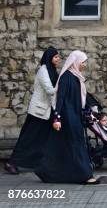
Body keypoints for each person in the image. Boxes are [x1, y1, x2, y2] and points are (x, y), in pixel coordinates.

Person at [35, 50, 99, 185]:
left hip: (75, 115)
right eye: (83, 62)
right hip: (67, 116)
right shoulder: (66, 77)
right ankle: (85, 175)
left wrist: (90, 109)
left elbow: (81, 98)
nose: (85, 65)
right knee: (76, 144)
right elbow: (60, 98)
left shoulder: (77, 77)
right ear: (75, 62)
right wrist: (57, 118)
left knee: (61, 146)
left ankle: (46, 171)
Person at [4, 47, 61, 175]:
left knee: (44, 138)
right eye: (56, 56)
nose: (58, 59)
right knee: (29, 138)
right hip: (38, 112)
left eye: (58, 57)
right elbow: (49, 89)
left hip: (48, 111)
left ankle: (41, 162)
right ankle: (12, 162)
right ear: (49, 58)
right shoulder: (43, 70)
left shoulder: (53, 71)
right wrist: (63, 86)